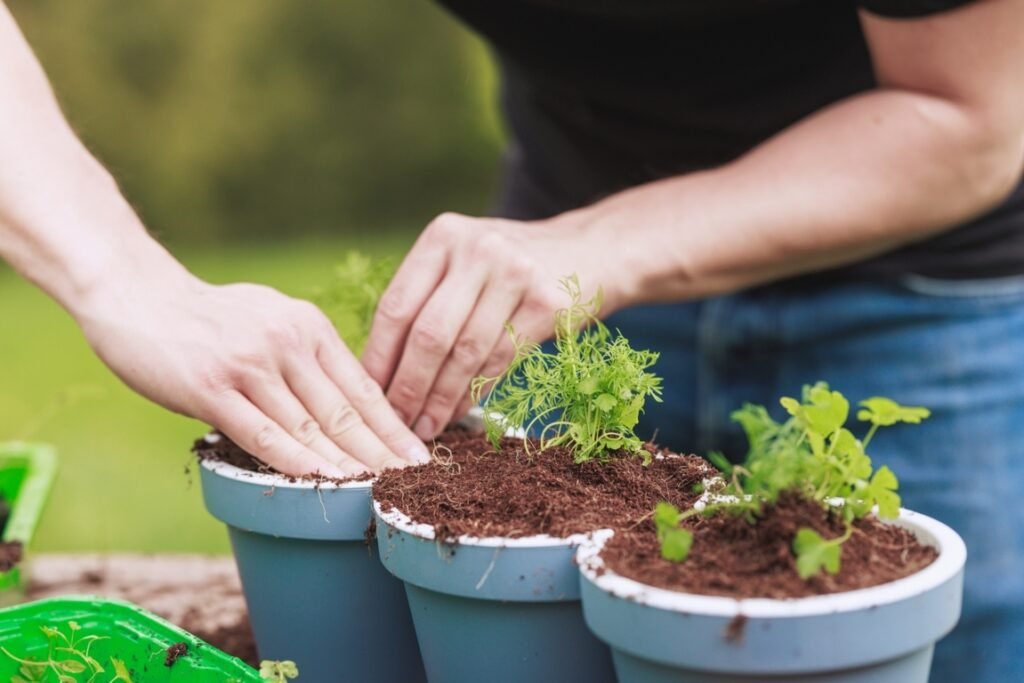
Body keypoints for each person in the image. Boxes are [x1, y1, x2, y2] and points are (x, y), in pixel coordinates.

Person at [1, 1, 1021, 680]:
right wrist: (115, 273)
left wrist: (603, 243)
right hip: (568, 267)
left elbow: (971, 114)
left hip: (927, 284)